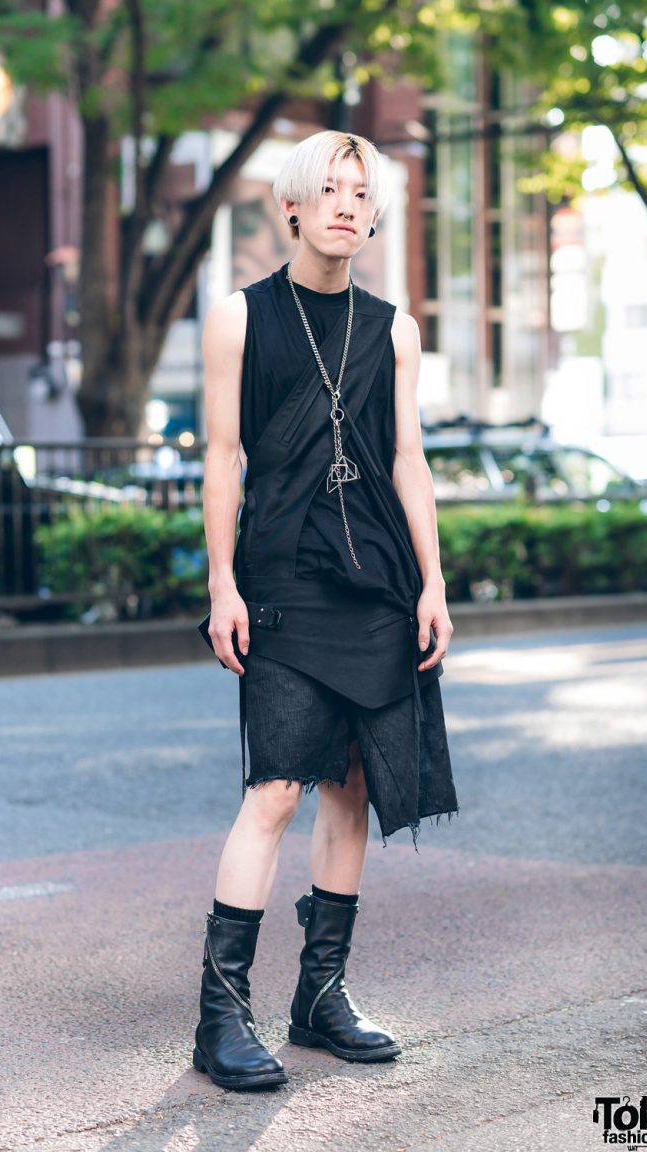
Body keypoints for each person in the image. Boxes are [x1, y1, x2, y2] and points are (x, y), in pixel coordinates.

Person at [193, 130, 458, 1091]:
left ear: (374, 214)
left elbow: (407, 461)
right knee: (275, 788)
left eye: (361, 191)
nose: (347, 204)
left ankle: (321, 998)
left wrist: (432, 582)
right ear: (292, 208)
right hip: (284, 575)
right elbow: (223, 458)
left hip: (379, 578)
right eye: (328, 189)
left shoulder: (394, 329)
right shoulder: (240, 319)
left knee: (352, 783)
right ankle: (221, 1018)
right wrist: (221, 583)